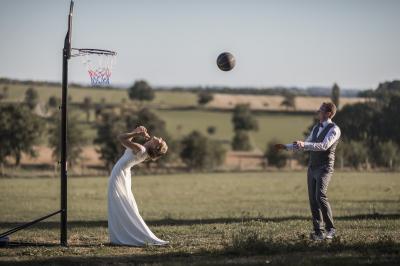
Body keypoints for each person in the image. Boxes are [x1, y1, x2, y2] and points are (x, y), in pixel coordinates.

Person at [275, 102, 341, 240]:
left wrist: (305, 144)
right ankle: (318, 232)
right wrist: (286, 147)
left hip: (325, 167)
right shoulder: (316, 128)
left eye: (321, 110)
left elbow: (324, 146)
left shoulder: (334, 129)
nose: (318, 111)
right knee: (313, 200)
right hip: (312, 167)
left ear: (328, 113)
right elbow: (306, 144)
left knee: (320, 196)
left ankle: (331, 229)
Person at [108, 126, 169, 246]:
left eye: (161, 141)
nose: (160, 138)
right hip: (122, 175)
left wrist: (135, 133)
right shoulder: (142, 150)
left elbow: (120, 138)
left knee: (120, 205)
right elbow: (126, 142)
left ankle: (122, 236)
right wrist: (135, 133)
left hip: (119, 176)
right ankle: (121, 235)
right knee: (122, 205)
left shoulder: (140, 149)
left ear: (155, 146)